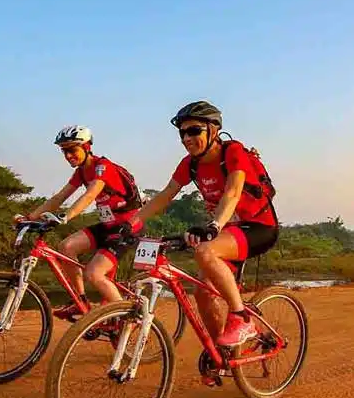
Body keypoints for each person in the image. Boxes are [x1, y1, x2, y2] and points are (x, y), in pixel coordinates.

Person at [122, 100, 279, 354]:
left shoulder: (233, 152)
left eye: (194, 130)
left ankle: (242, 318)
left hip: (258, 227)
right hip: (228, 233)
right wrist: (132, 223)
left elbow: (233, 191)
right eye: (182, 132)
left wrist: (214, 225)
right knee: (203, 292)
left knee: (205, 252)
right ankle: (221, 352)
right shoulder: (190, 164)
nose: (186, 138)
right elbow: (166, 195)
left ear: (213, 130)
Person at [20, 125, 144, 320]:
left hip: (127, 226)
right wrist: (30, 217)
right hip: (107, 225)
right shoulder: (81, 172)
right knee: (66, 246)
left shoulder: (103, 167)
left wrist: (66, 216)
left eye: (72, 149)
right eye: (64, 151)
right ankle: (80, 301)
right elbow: (59, 197)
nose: (68, 155)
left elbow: (90, 194)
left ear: (86, 147)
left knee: (94, 274)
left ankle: (129, 319)